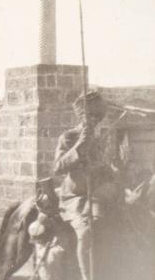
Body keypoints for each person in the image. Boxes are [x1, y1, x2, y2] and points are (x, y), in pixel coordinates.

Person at [54, 91, 117, 280]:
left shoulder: (100, 138)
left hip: (99, 193)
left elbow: (103, 166)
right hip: (76, 196)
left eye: (98, 116)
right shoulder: (69, 137)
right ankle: (87, 276)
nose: (94, 120)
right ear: (81, 115)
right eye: (91, 115)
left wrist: (111, 171)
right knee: (86, 231)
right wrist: (80, 146)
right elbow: (58, 167)